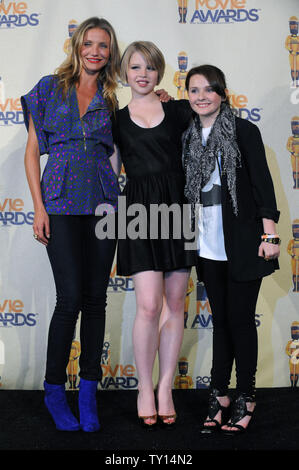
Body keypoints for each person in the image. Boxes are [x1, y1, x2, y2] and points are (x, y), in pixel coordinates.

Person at [21, 17, 122, 432]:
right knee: (69, 301)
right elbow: (32, 153)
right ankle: (53, 390)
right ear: (77, 45)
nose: (96, 51)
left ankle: (88, 392)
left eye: (104, 45)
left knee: (96, 300)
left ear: (110, 52)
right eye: (90, 43)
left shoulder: (115, 98)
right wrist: (39, 207)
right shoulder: (49, 88)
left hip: (103, 206)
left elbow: (120, 151)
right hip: (59, 202)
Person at [182, 65, 280, 434]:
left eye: (209, 89)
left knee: (241, 322)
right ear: (187, 95)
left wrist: (269, 234)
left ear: (223, 93)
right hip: (207, 245)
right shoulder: (188, 135)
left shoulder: (243, 130)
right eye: (193, 90)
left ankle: (247, 395)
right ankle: (220, 394)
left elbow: (261, 183)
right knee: (221, 324)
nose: (201, 96)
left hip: (242, 242)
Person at [112, 41, 196, 428]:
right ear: (124, 72)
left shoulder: (178, 109)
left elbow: (214, 128)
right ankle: (144, 386)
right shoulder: (115, 119)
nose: (142, 73)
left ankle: (165, 387)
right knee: (148, 305)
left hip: (179, 209)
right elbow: (111, 174)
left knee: (175, 304)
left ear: (159, 72)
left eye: (149, 67)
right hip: (139, 213)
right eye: (135, 67)